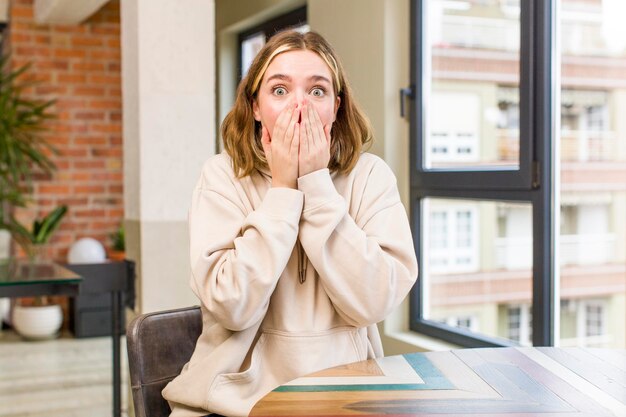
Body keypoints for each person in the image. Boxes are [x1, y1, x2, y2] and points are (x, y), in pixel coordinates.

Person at [163, 30, 418, 417]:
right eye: (279, 91)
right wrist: (283, 190)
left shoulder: (371, 176)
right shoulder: (221, 176)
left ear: (336, 106)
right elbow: (233, 306)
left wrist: (315, 185)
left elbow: (374, 300)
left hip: (345, 396)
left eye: (317, 91)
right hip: (231, 402)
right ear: (255, 107)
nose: (300, 105)